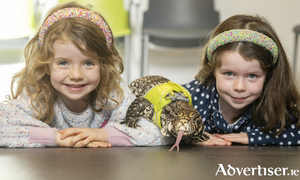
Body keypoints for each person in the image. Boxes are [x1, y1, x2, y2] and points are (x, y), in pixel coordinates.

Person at [0, 1, 174, 148]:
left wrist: (103, 135)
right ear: (46, 65)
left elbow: (160, 132)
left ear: (103, 65)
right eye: (63, 63)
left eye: (88, 63)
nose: (76, 75)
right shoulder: (38, 95)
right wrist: (56, 137)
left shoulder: (113, 94)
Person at [184, 14, 300, 146]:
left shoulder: (275, 102)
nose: (239, 87)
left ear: (268, 75)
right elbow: (157, 122)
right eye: (229, 73)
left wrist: (255, 136)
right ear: (213, 69)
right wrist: (189, 135)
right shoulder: (192, 97)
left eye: (252, 76)